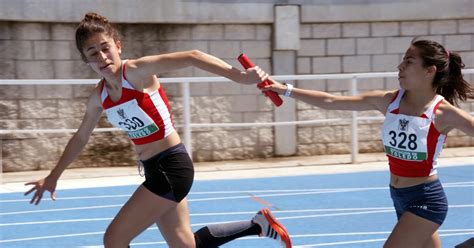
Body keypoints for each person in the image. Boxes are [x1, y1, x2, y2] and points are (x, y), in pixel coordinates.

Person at [24, 12, 292, 248]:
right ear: (86, 61)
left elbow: (193, 57)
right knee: (185, 245)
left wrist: (241, 77)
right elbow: (81, 136)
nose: (102, 57)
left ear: (118, 46)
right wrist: (53, 177)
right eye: (93, 54)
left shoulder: (137, 72)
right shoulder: (100, 96)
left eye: (106, 48)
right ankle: (258, 225)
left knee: (114, 239)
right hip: (154, 169)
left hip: (172, 166)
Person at [259, 39, 473, 248]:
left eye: (408, 61)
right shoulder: (389, 101)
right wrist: (285, 89)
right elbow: (330, 101)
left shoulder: (443, 113)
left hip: (426, 199)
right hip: (399, 196)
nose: (400, 66)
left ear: (430, 71)